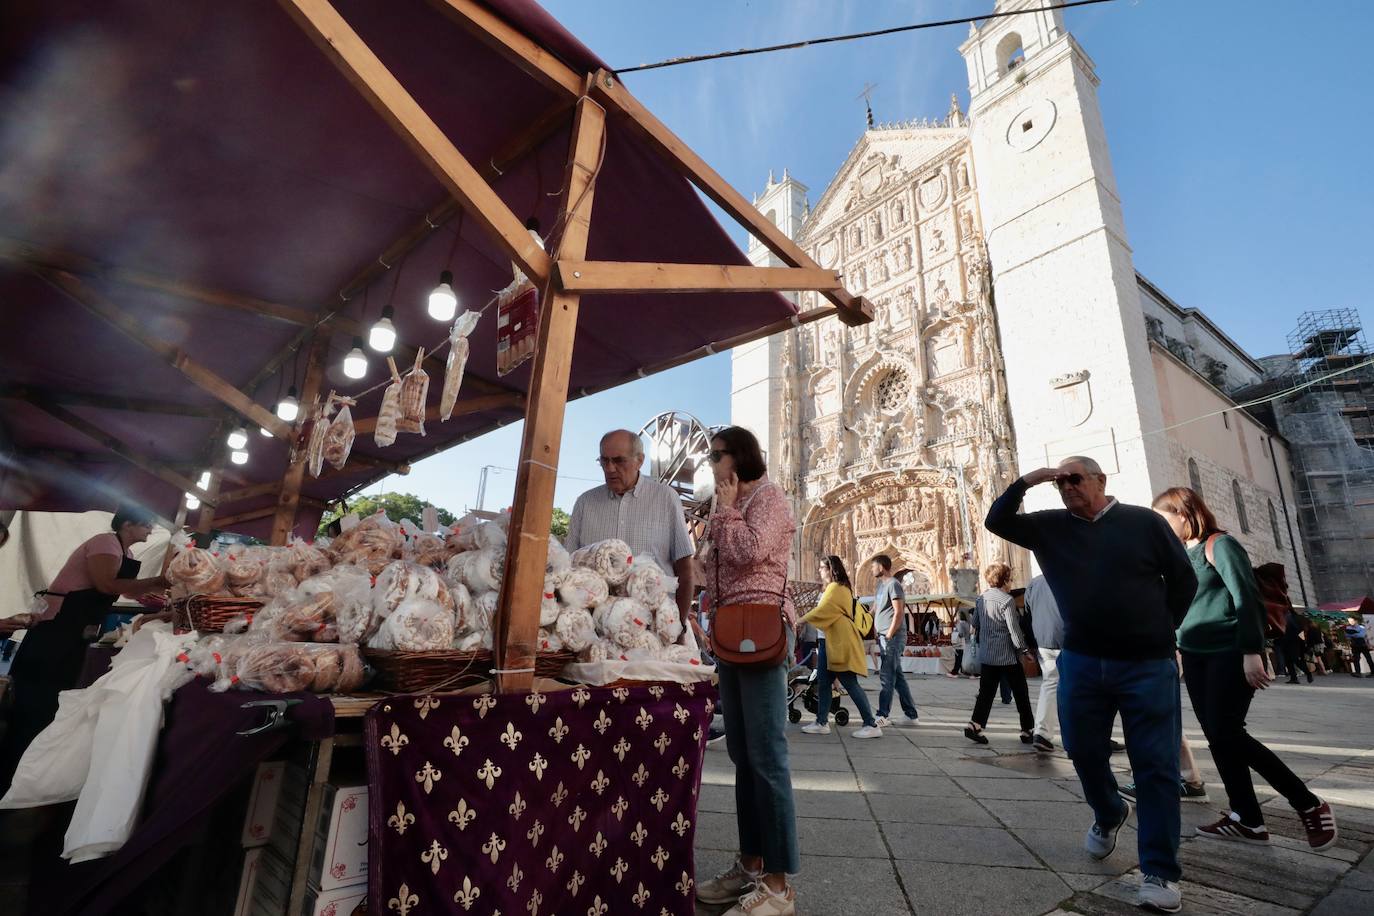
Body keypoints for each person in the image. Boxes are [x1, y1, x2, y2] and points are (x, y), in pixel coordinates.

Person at [985, 457, 1196, 915]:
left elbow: (1184, 579)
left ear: (1101, 480)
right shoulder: (1049, 527)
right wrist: (1026, 481)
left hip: (1147, 662)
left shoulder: (1144, 522)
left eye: (1075, 479)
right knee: (1081, 749)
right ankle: (1109, 812)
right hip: (1081, 660)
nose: (1066, 487)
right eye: (1060, 482)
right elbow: (996, 520)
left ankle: (1159, 871)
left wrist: (1161, 629)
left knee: (1155, 764)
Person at [1152, 487, 1338, 851]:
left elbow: (1246, 596)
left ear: (1185, 514)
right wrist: (1175, 645)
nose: (1161, 527)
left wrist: (1253, 651)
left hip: (1228, 651)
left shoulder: (1219, 545)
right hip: (1195, 653)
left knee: (1229, 733)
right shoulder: (1179, 555)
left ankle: (1309, 803)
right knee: (1218, 737)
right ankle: (1247, 819)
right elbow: (1181, 606)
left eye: (1164, 519)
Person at [695, 426, 799, 916]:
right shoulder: (726, 504)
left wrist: (729, 507)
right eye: (710, 455)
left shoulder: (769, 497)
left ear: (740, 458)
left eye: (718, 455)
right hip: (729, 632)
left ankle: (779, 884)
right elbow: (708, 565)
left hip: (760, 629)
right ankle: (750, 864)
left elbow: (749, 551)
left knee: (767, 755)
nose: (712, 462)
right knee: (742, 754)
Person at [0, 506, 167, 792]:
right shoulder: (105, 542)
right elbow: (105, 585)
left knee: (54, 697)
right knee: (35, 696)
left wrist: (155, 597)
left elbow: (125, 590)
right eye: (146, 525)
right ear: (128, 523)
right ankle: (10, 766)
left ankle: (29, 763)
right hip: (56, 628)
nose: (150, 530)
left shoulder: (127, 554)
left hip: (76, 632)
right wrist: (157, 580)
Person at [566, 429, 696, 621]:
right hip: (595, 627)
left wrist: (681, 624)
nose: (610, 468)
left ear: (640, 460)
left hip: (653, 626)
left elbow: (685, 569)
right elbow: (568, 568)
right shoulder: (585, 503)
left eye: (619, 461)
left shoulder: (666, 498)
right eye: (604, 460)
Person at [799, 557, 881, 738]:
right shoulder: (834, 588)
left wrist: (799, 620)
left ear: (831, 569)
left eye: (822, 567)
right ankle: (821, 722)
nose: (819, 571)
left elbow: (823, 611)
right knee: (824, 683)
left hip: (837, 643)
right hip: (826, 641)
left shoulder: (837, 588)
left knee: (849, 682)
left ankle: (871, 724)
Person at [964, 563, 1035, 745]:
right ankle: (1027, 730)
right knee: (1021, 693)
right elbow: (1014, 630)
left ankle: (975, 725)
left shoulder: (981, 599)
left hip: (988, 655)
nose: (1010, 582)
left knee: (985, 693)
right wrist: (1024, 650)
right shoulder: (1006, 600)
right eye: (1009, 579)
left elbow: (976, 624)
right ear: (1004, 580)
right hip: (1007, 656)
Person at [869, 554, 919, 728]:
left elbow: (898, 612)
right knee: (897, 676)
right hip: (883, 636)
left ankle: (882, 715)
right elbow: (874, 609)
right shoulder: (880, 587)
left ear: (881, 567)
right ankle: (911, 715)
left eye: (873, 566)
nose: (872, 569)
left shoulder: (894, 585)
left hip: (893, 636)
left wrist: (889, 634)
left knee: (887, 675)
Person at [1026, 574, 1062, 752]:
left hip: (1043, 641)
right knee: (1086, 687)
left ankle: (1042, 733)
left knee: (1050, 683)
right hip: (1068, 639)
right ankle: (1096, 735)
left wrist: (1031, 643)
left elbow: (1027, 612)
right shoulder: (1074, 572)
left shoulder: (1035, 582)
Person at [1281, 609, 1312, 684]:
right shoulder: (1293, 618)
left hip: (1291, 642)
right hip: (1292, 642)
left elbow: (1294, 630)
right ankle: (1294, 677)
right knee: (1290, 661)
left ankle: (1306, 674)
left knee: (1294, 660)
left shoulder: (1288, 618)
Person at [948, 609, 972, 678]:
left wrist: (955, 633)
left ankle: (954, 672)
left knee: (958, 658)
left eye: (957, 615)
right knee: (963, 658)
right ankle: (964, 671)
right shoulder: (967, 623)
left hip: (960, 643)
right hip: (967, 642)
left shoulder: (960, 624)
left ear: (959, 616)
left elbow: (961, 634)